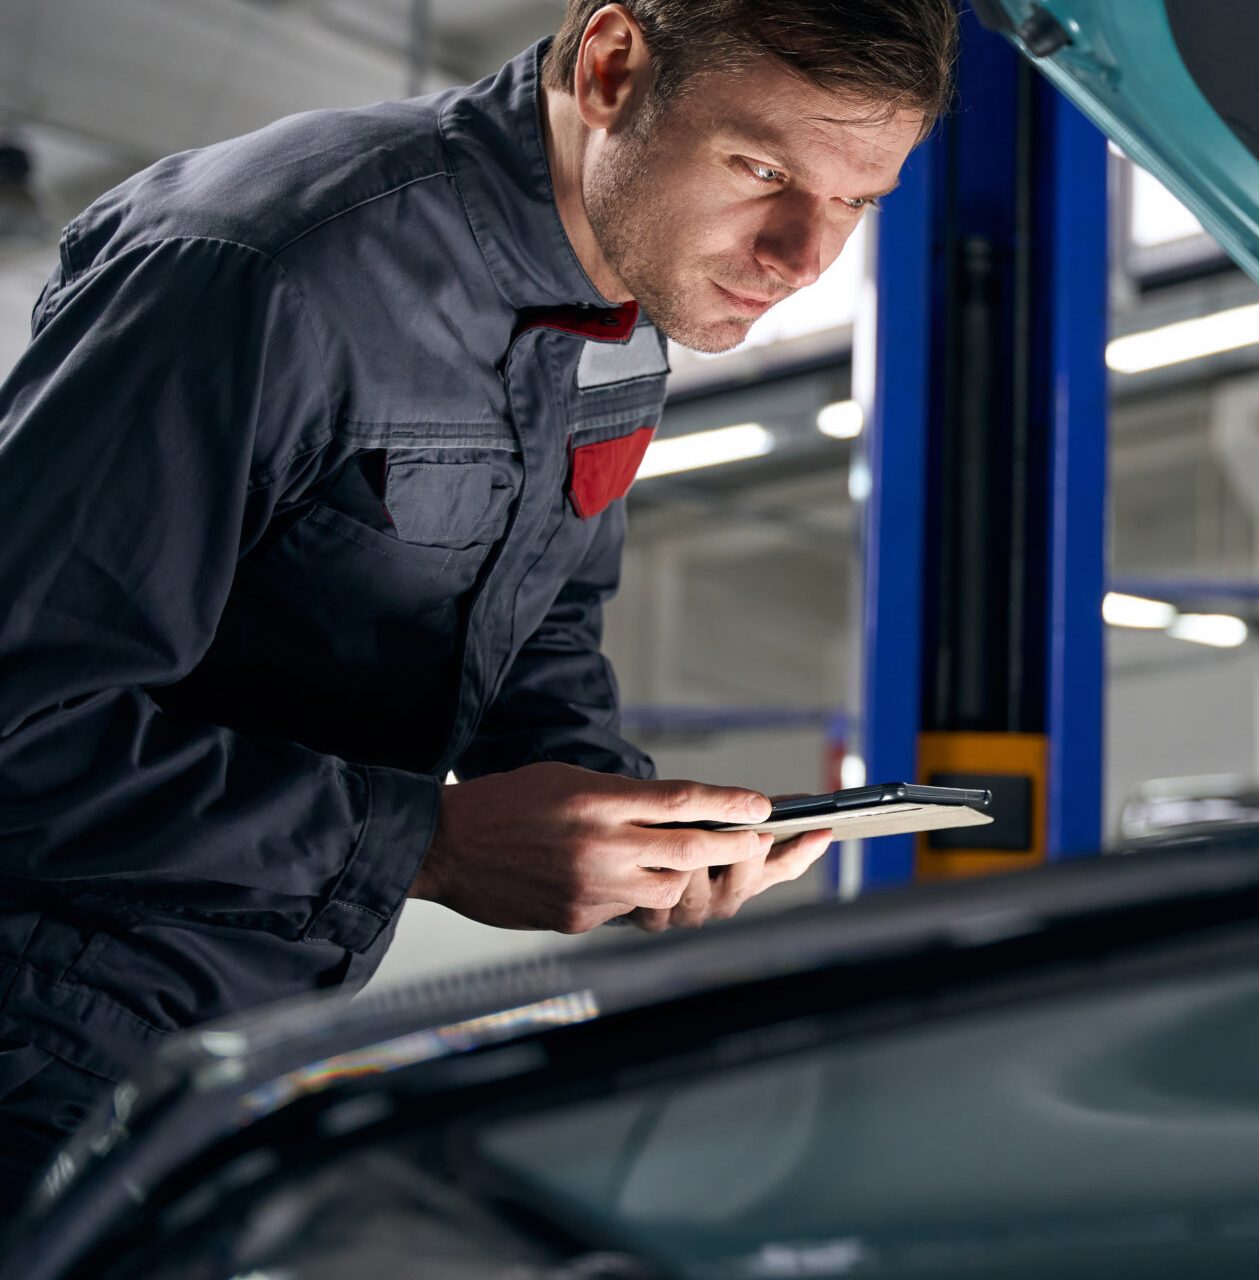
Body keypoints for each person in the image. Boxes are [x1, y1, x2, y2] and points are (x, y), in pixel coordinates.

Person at [0, 0, 957, 1210]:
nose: (801, 255)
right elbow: (18, 721)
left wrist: (628, 821)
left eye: (856, 201)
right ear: (611, 67)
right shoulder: (261, 267)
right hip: (39, 1026)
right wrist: (435, 843)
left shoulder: (627, 296)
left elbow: (540, 615)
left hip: (245, 1038)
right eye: (761, 168)